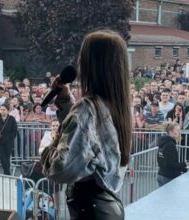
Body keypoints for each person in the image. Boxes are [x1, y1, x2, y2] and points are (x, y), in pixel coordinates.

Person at [45, 30, 131, 220]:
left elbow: (60, 169)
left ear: (90, 65)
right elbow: (86, 138)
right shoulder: (118, 106)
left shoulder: (87, 109)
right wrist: (66, 102)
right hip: (109, 208)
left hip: (90, 212)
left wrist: (50, 147)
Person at [157, 122, 188, 186]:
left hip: (161, 174)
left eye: (179, 130)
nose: (178, 132)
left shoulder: (163, 142)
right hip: (168, 177)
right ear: (170, 132)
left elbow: (163, 161)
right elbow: (170, 164)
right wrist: (183, 164)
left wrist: (183, 168)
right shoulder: (170, 145)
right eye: (177, 130)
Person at [0, 104, 18, 175]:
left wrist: (9, 138)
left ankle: (6, 173)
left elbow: (14, 131)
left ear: (7, 110)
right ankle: (7, 173)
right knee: (2, 157)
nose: (2, 111)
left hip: (8, 142)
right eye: (1, 109)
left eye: (4, 110)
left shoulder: (12, 119)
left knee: (7, 157)